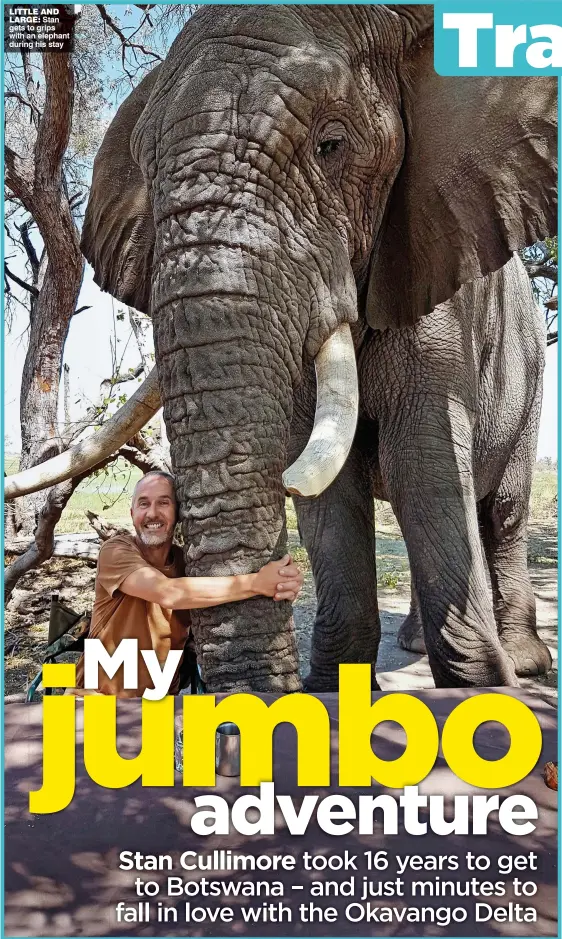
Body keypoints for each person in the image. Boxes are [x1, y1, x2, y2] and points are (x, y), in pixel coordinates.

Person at [73, 471, 303, 696]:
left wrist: (285, 581)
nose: (152, 513)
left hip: (159, 707)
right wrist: (257, 583)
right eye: (144, 504)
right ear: (132, 513)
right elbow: (168, 593)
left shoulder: (188, 563)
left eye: (163, 503)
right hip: (94, 699)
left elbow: (216, 592)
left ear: (178, 513)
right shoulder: (115, 551)